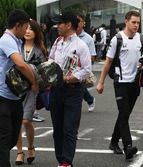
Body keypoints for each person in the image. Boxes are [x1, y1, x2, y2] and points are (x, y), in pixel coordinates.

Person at [96, 10, 143, 160]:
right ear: (126, 21)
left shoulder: (142, 39)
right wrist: (100, 82)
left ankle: (113, 142)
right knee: (124, 115)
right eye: (133, 22)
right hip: (120, 83)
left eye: (138, 22)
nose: (136, 25)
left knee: (124, 114)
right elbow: (108, 62)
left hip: (135, 83)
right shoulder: (117, 39)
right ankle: (128, 147)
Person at [49, 11, 91, 167]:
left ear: (68, 25)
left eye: (60, 23)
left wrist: (68, 78)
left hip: (73, 90)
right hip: (56, 89)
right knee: (57, 127)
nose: (57, 26)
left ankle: (67, 161)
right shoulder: (57, 42)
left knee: (69, 128)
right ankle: (60, 159)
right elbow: (51, 60)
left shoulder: (80, 45)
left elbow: (86, 69)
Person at [0, 9, 38, 166]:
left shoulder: (17, 41)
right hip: (2, 97)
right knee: (5, 137)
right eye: (26, 27)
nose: (27, 30)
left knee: (12, 136)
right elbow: (21, 65)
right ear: (18, 25)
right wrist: (34, 82)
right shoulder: (6, 40)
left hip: (15, 97)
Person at [15, 19, 47, 165]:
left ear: (36, 33)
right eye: (25, 29)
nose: (27, 31)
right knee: (16, 121)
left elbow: (43, 72)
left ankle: (31, 147)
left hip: (32, 90)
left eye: (31, 29)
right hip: (15, 88)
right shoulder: (16, 46)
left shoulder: (40, 51)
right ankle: (20, 152)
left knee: (26, 120)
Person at [76, 13, 96, 112]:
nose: (77, 23)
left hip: (82, 68)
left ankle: (89, 100)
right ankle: (90, 100)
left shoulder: (88, 38)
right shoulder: (68, 36)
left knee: (79, 87)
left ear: (83, 23)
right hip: (69, 69)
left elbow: (92, 56)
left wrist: (87, 68)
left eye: (79, 21)